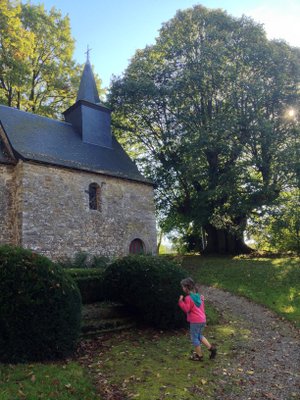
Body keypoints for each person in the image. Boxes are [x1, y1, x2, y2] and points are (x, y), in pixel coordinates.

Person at [178, 277, 217, 361]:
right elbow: (202, 308)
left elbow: (186, 309)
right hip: (202, 319)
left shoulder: (188, 298)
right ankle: (212, 349)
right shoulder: (199, 297)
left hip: (195, 321)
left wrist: (181, 302)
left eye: (183, 287)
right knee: (199, 336)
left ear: (186, 287)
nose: (182, 288)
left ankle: (199, 356)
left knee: (194, 337)